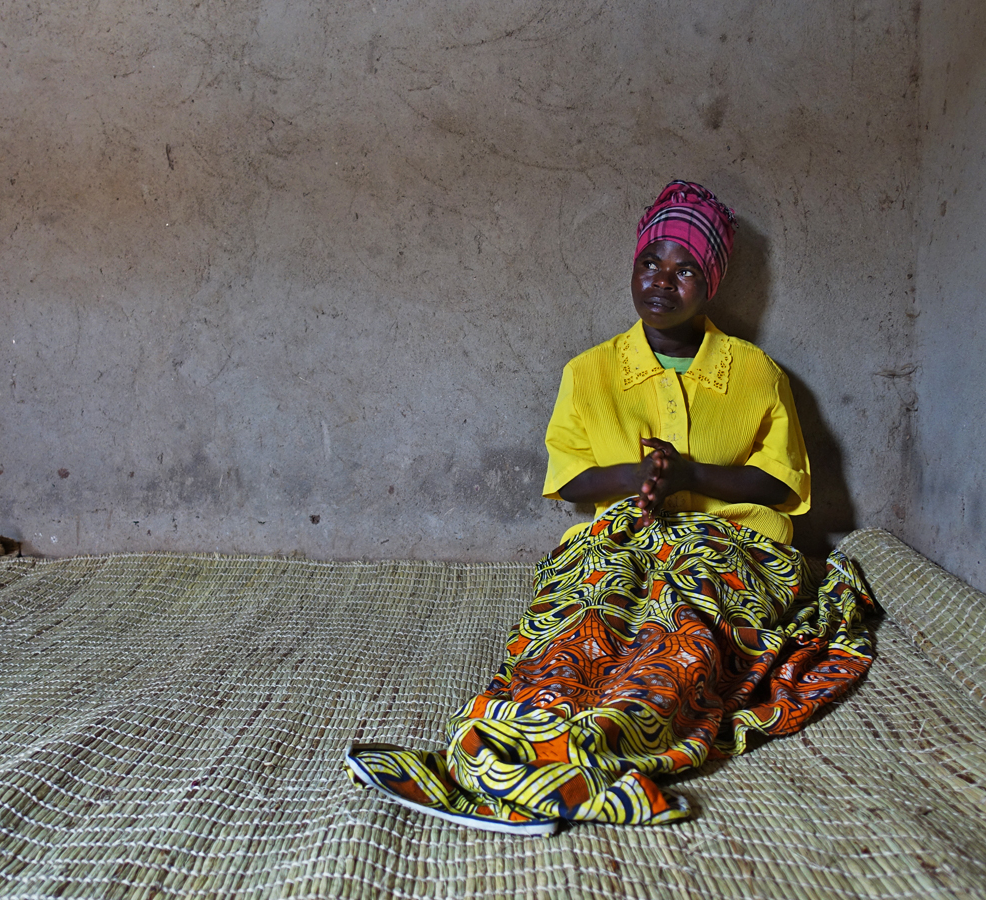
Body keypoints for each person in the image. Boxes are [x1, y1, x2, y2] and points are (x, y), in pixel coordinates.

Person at [343, 181, 876, 835]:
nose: (662, 281)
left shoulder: (754, 372)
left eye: (685, 270)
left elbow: (784, 484)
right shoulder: (589, 373)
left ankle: (593, 760)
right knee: (585, 622)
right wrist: (639, 476)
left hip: (731, 544)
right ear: (632, 265)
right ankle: (492, 749)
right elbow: (571, 481)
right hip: (622, 535)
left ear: (711, 283)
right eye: (650, 261)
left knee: (684, 630)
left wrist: (692, 475)